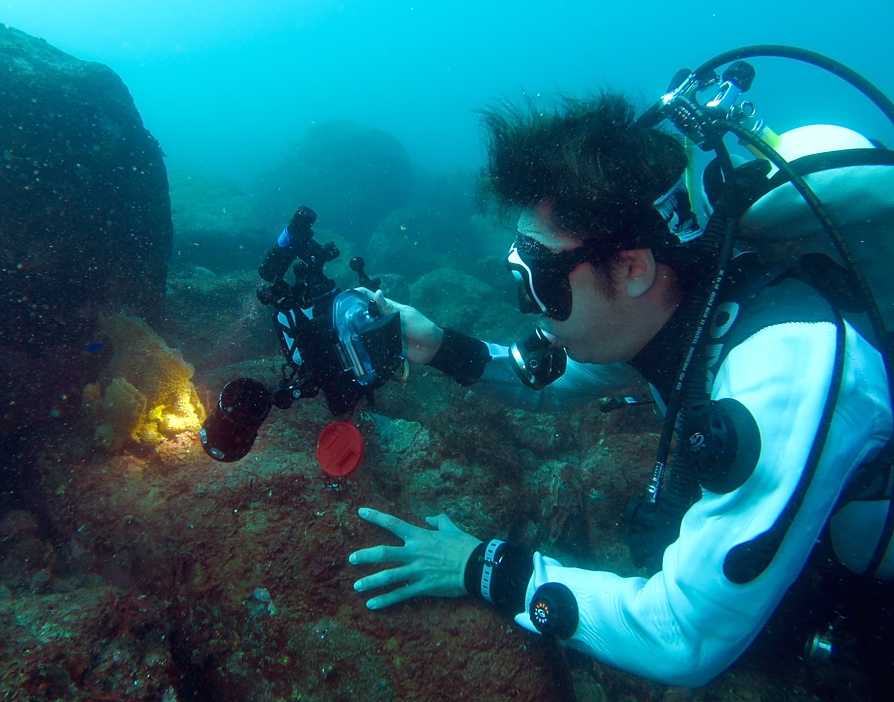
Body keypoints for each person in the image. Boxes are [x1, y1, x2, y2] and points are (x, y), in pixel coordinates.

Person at [346, 90, 894, 687]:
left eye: (534, 279)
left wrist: (480, 568)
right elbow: (549, 386)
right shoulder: (686, 306)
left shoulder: (786, 363)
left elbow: (683, 636)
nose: (528, 307)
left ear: (633, 269)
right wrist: (436, 346)